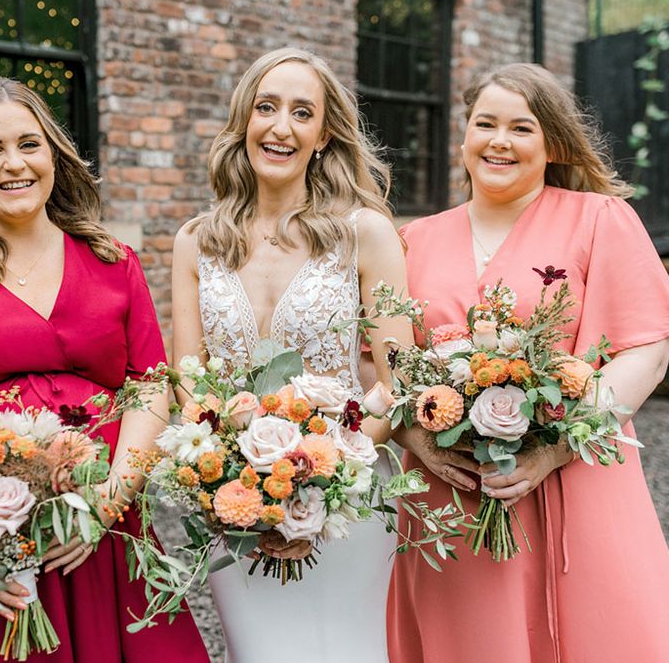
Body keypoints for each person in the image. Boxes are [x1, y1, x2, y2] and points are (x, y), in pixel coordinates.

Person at [0, 77, 209, 662]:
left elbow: (149, 388)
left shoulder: (113, 262)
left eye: (29, 144)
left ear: (53, 155)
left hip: (100, 527)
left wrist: (108, 502)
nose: (13, 164)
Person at [387, 63, 669, 663]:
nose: (499, 141)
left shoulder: (599, 219)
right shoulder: (414, 241)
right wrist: (419, 436)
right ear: (462, 137)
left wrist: (558, 445)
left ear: (553, 145)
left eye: (522, 128)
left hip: (580, 479)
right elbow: (380, 366)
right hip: (454, 492)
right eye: (484, 123)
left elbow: (645, 348)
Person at [171, 47, 413, 663]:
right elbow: (191, 383)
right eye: (266, 107)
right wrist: (232, 478)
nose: (280, 126)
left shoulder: (365, 232)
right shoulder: (196, 241)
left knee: (349, 649)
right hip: (236, 503)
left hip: (348, 500)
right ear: (244, 121)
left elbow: (400, 380)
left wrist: (328, 476)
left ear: (324, 134)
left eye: (301, 112)